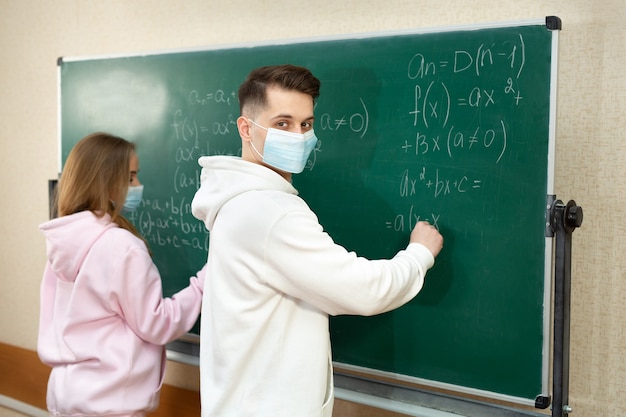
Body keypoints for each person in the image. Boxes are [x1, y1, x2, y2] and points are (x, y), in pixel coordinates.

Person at [191, 64, 443, 417]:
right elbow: (362, 289)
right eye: (282, 123)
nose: (298, 135)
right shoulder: (271, 211)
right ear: (246, 128)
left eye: (306, 124)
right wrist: (419, 254)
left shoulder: (235, 200)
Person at [38, 132, 206, 417]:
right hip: (109, 401)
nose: (139, 185)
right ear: (105, 182)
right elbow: (157, 323)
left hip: (65, 394)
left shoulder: (63, 239)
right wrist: (204, 283)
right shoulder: (121, 247)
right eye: (130, 178)